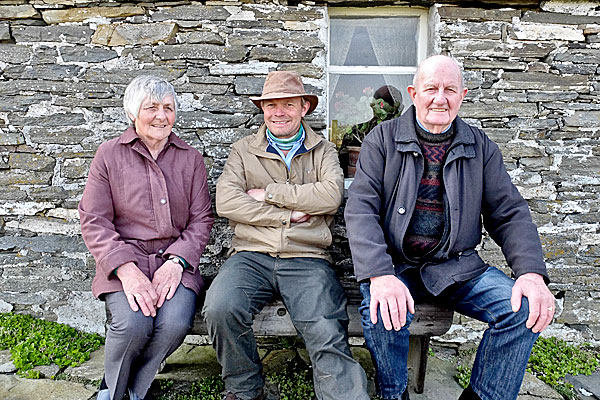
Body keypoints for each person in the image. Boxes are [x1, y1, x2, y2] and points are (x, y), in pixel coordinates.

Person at [344, 55, 555, 400]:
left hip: (457, 267)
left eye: (449, 90)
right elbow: (360, 209)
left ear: (462, 95)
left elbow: (510, 212)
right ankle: (394, 394)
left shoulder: (480, 146)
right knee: (382, 311)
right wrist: (379, 275)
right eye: (431, 88)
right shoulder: (381, 140)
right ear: (414, 93)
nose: (440, 98)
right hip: (395, 266)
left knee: (524, 308)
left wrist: (530, 273)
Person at [203, 71, 370, 400]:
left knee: (325, 326)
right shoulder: (243, 151)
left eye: (288, 104)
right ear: (263, 109)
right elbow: (227, 201)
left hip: (307, 258)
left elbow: (329, 197)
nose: (278, 111)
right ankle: (245, 388)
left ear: (303, 107)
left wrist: (268, 194)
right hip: (250, 256)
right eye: (271, 105)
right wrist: (287, 214)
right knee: (221, 308)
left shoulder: (322, 151)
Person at [79, 75, 214, 400]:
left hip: (175, 263)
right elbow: (94, 220)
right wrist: (127, 271)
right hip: (125, 260)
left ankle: (131, 390)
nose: (161, 116)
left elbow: (201, 219)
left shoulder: (190, 158)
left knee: (174, 325)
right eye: (151, 107)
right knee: (132, 325)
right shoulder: (109, 155)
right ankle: (112, 392)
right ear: (132, 112)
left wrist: (177, 263)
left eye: (168, 108)